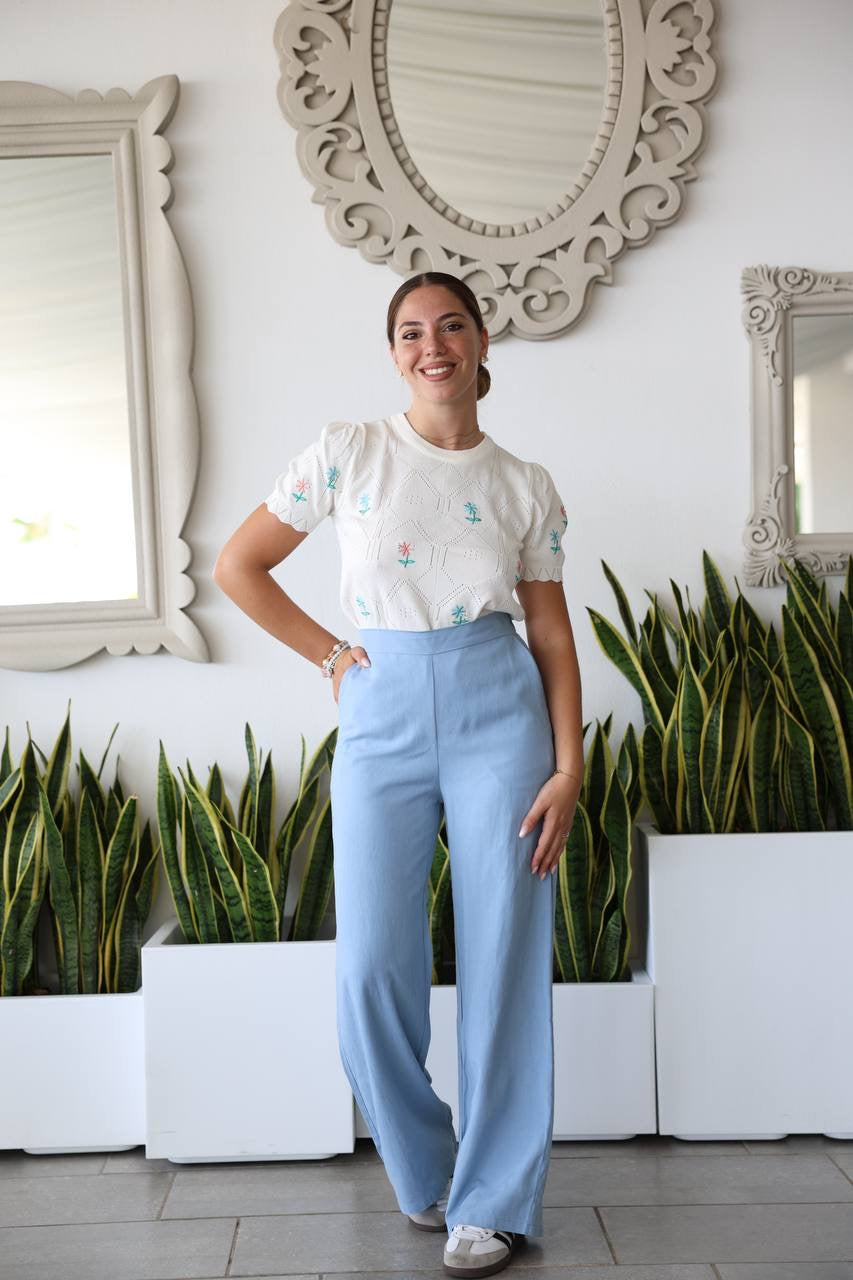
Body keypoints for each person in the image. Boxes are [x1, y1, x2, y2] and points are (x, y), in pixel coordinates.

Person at [213, 270, 584, 1277]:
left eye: (450, 326)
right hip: (380, 713)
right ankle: (427, 1169)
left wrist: (568, 764)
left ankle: (493, 1200)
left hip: (498, 710)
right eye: (412, 332)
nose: (433, 346)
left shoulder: (524, 482)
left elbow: (550, 633)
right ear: (393, 353)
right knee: (371, 967)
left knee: (504, 960)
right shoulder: (348, 451)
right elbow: (238, 565)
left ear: (481, 341)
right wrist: (332, 656)